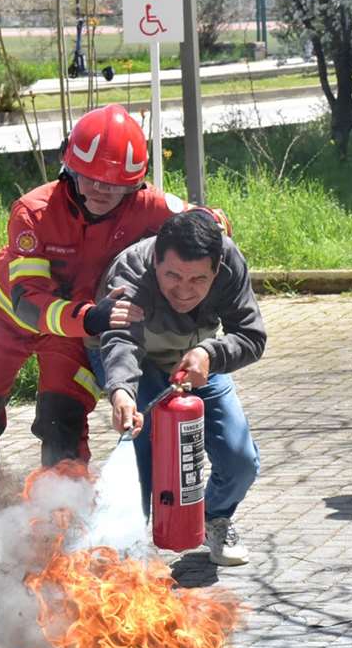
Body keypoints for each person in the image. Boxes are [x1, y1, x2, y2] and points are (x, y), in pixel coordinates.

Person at [0, 104, 189, 468]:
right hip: (5, 320)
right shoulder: (34, 212)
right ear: (69, 168)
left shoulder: (147, 205)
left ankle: (63, 502)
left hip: (72, 329)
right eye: (90, 178)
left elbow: (208, 225)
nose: (101, 190)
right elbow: (28, 302)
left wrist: (207, 240)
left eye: (114, 184)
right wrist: (91, 318)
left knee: (63, 419)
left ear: (134, 184)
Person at [92, 210, 266, 566]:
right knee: (141, 450)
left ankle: (215, 517)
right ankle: (126, 549)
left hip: (198, 360)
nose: (184, 291)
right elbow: (121, 340)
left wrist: (209, 353)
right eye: (172, 276)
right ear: (156, 261)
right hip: (136, 363)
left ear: (216, 270)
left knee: (240, 459)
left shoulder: (230, 262)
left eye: (198, 279)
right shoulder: (131, 268)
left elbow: (252, 336)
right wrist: (121, 391)